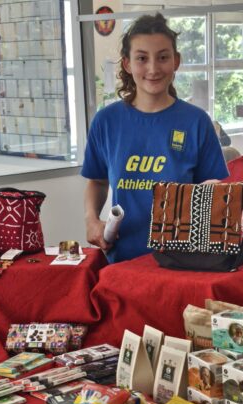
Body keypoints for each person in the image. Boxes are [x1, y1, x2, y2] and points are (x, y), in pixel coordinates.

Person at [82, 13, 228, 263]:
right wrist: (91, 219)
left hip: (183, 261)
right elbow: (97, 181)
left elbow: (215, 190)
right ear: (127, 64)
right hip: (123, 261)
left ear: (176, 61)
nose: (153, 68)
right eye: (142, 58)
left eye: (162, 57)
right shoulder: (106, 121)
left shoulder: (196, 122)